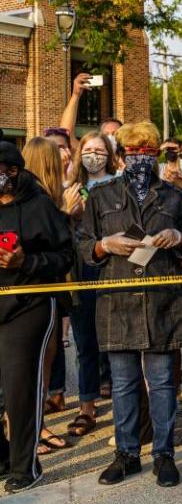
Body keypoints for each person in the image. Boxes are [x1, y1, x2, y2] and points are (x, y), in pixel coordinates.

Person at [77, 121, 182, 488]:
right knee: (124, 383)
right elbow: (82, 244)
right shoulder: (101, 196)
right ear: (121, 156)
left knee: (162, 382)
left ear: (157, 154)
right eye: (133, 152)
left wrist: (179, 237)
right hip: (118, 301)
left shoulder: (174, 197)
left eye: (148, 152)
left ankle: (164, 455)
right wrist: (102, 245)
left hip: (163, 302)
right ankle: (127, 454)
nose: (141, 159)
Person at [0, 141, 74, 493]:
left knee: (19, 385)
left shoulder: (39, 204)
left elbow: (65, 257)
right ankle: (4, 457)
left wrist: (24, 262)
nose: (3, 179)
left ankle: (25, 467)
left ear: (18, 171)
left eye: (8, 171)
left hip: (30, 306)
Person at [22, 138, 78, 455]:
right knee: (34, 362)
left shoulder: (46, 197)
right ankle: (25, 428)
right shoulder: (35, 201)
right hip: (36, 293)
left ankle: (38, 422)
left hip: (55, 289)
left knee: (49, 356)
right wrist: (67, 215)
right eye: (59, 161)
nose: (65, 166)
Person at [63, 132, 118, 439]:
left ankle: (117, 391)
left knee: (114, 337)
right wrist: (70, 215)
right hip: (82, 271)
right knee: (85, 341)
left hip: (111, 269)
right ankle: (86, 406)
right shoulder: (71, 188)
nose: (93, 155)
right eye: (88, 149)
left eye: (100, 150)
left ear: (109, 155)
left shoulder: (118, 185)